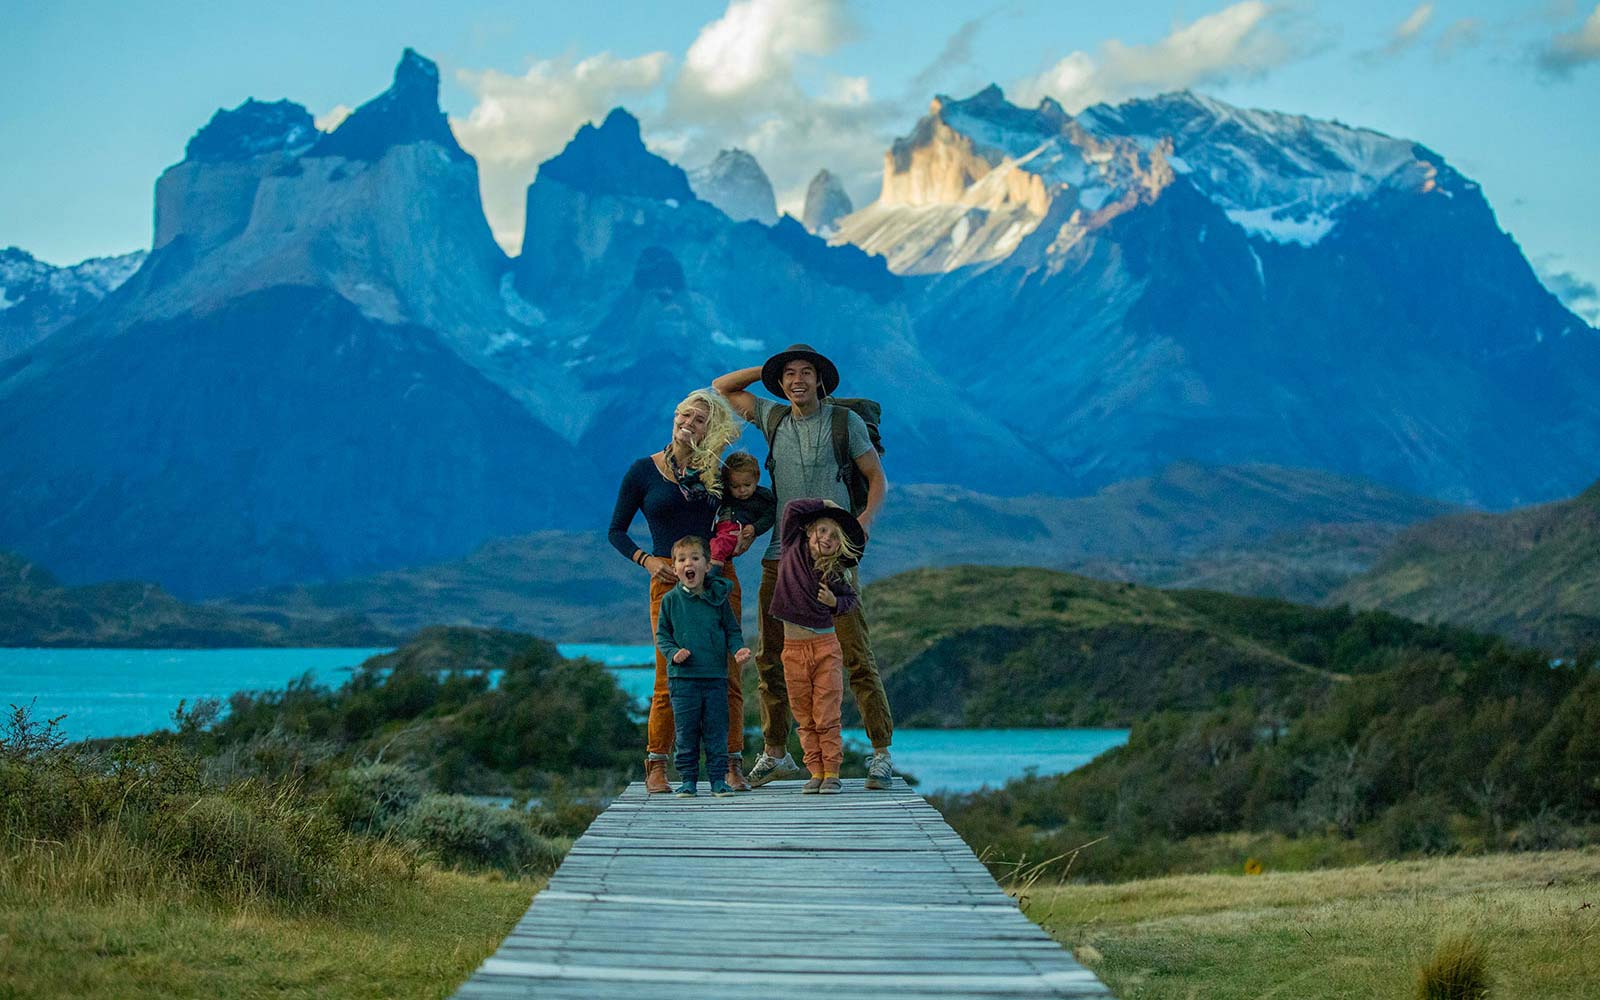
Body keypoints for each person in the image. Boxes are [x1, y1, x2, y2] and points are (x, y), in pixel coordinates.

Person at [712, 345, 895, 790]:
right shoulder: (772, 417)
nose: (797, 380)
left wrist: (863, 523)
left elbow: (876, 478)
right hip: (780, 555)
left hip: (833, 556)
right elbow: (722, 388)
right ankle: (777, 753)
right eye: (789, 373)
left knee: (856, 654)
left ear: (820, 380)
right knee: (770, 657)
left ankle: (881, 754)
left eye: (806, 372)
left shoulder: (844, 423)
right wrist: (769, 368)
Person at [607, 389, 751, 793]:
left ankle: (731, 764)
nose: (688, 424)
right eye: (685, 415)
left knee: (729, 673)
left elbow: (753, 504)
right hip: (668, 582)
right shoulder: (643, 470)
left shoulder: (718, 471)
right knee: (668, 672)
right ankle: (656, 765)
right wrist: (646, 560)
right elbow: (616, 531)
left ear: (711, 430)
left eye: (699, 420)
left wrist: (750, 532)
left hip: (719, 580)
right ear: (674, 416)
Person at [769, 499, 864, 794]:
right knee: (803, 715)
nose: (826, 538)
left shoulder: (834, 573)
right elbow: (791, 509)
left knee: (827, 713)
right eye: (822, 530)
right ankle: (815, 771)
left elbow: (851, 600)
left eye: (834, 537)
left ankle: (832, 772)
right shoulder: (791, 547)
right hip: (793, 649)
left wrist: (834, 602)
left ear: (840, 546)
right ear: (809, 531)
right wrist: (826, 504)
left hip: (825, 647)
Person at [654, 534, 752, 798]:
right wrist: (673, 653)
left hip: (715, 679)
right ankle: (688, 780)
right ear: (675, 568)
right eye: (682, 560)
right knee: (686, 733)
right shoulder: (670, 601)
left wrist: (738, 649)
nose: (689, 563)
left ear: (707, 566)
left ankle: (718, 780)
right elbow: (662, 635)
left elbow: (732, 630)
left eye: (695, 558)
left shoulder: (719, 599)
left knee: (716, 732)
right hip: (683, 680)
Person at [709, 451, 777, 566]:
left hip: (738, 530)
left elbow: (769, 516)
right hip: (720, 529)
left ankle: (713, 570)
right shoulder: (725, 493)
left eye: (747, 485)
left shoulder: (762, 497)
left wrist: (755, 528)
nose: (742, 490)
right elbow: (715, 481)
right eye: (735, 486)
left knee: (720, 545)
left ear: (757, 478)